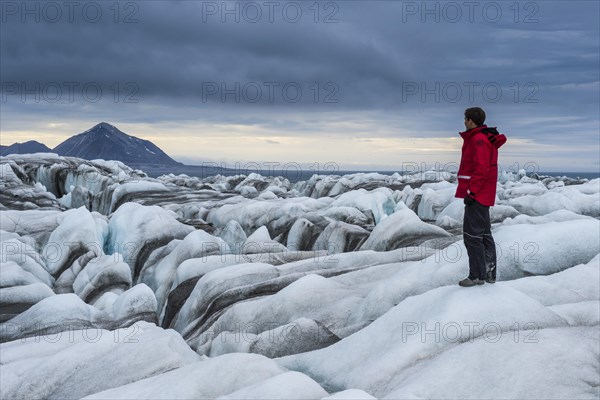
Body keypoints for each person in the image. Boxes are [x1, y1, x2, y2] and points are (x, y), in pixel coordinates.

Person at [455, 107, 507, 287]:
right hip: (483, 195)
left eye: (465, 119)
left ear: (470, 120)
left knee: (472, 237)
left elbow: (481, 168)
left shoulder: (478, 140)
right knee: (484, 235)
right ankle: (489, 274)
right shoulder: (483, 138)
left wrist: (471, 192)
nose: (463, 122)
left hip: (478, 196)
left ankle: (476, 276)